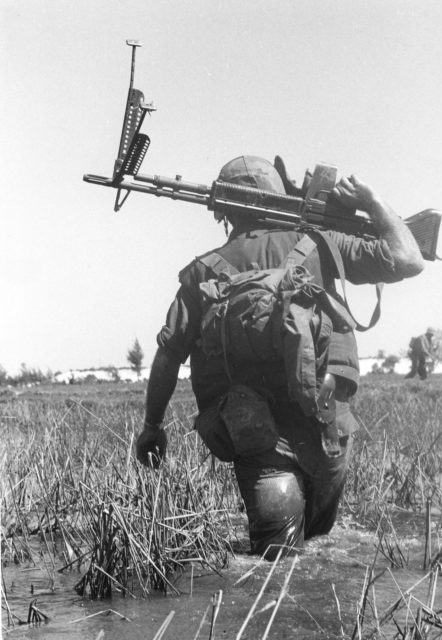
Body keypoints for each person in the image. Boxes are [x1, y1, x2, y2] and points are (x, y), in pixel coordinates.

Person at [136, 155, 425, 559]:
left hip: (255, 435)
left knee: (273, 570)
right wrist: (372, 201)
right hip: (325, 430)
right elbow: (409, 258)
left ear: (223, 211)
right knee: (319, 557)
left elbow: (168, 356)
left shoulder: (202, 273)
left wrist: (152, 426)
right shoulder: (321, 245)